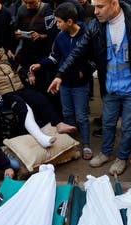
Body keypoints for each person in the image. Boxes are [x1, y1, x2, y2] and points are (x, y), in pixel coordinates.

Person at [49, 0, 131, 175]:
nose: (95, 11)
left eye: (100, 7)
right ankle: (105, 152)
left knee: (127, 126)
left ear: (114, 3)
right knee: (108, 122)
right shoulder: (97, 25)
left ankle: (122, 158)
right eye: (94, 6)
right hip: (110, 86)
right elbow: (79, 51)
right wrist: (60, 75)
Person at [0, 40, 77, 147]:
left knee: (39, 98)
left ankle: (58, 124)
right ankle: (42, 138)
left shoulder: (5, 59)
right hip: (4, 95)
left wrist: (29, 74)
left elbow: (19, 69)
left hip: (19, 89)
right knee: (23, 107)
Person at [30, 2, 94, 158]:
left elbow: (94, 60)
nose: (57, 25)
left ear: (69, 22)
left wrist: (83, 72)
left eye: (59, 22)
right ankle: (70, 144)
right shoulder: (60, 37)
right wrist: (40, 64)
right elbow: (54, 57)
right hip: (63, 84)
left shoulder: (87, 35)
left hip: (80, 85)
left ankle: (86, 144)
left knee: (82, 116)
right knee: (67, 114)